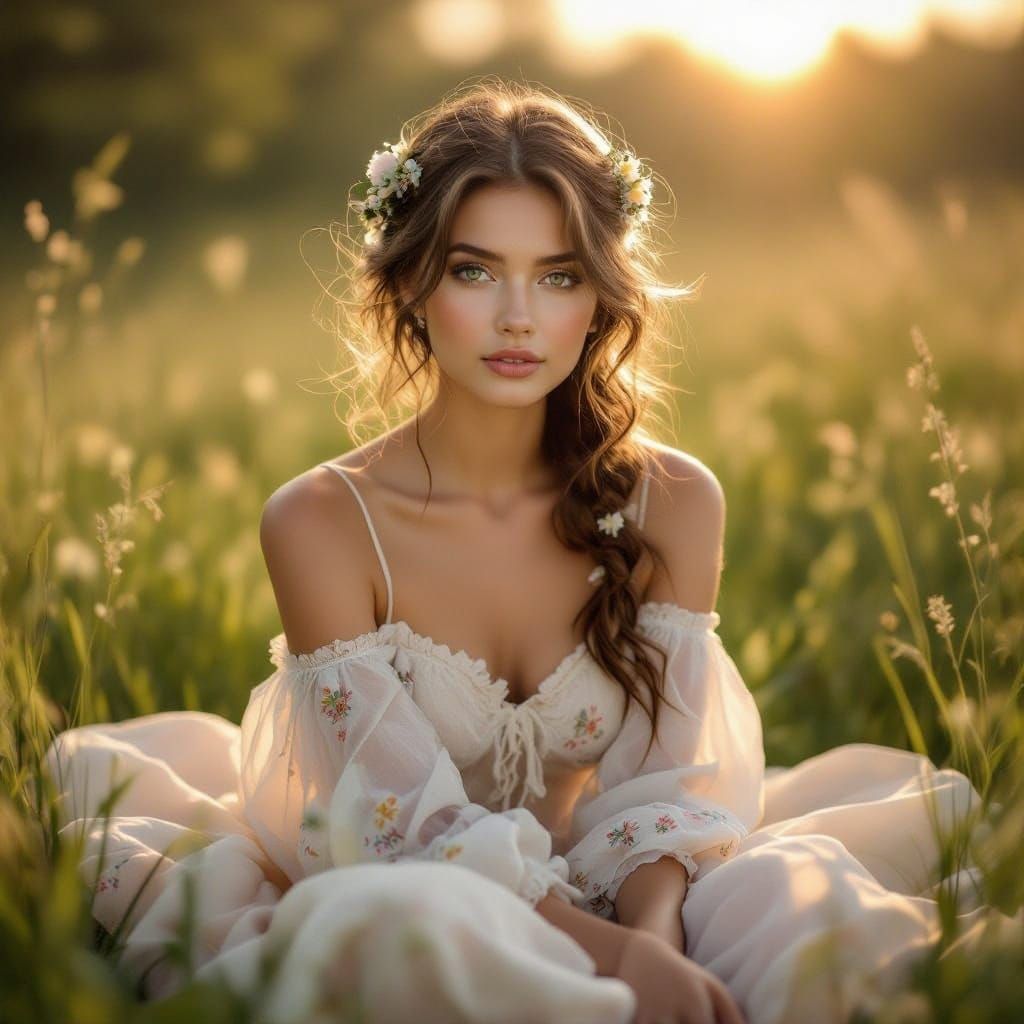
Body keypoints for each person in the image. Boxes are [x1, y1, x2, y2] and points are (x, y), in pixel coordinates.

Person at [45, 78, 999, 1024]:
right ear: (413, 284)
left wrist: (653, 940)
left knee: (787, 898)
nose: (518, 317)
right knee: (404, 925)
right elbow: (397, 832)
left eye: (558, 275)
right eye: (474, 271)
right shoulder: (322, 524)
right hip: (414, 877)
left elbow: (665, 791)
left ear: (600, 296)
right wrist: (607, 953)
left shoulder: (672, 502)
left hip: (623, 880)